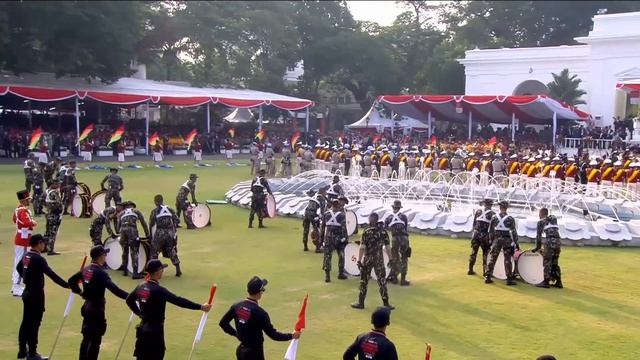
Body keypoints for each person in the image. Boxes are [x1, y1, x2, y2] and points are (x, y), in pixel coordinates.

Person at [126, 259, 211, 360]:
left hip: (142, 329)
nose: (163, 271)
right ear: (157, 272)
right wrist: (200, 307)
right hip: (155, 332)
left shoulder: (140, 286)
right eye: (162, 269)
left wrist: (140, 314)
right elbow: (178, 300)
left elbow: (129, 300)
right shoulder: (159, 290)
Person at [68, 245, 128, 360]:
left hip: (86, 307)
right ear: (100, 256)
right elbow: (115, 290)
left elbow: (71, 281)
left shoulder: (86, 269)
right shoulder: (101, 272)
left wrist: (80, 293)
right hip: (97, 309)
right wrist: (129, 297)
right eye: (105, 254)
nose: (106, 256)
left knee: (86, 338)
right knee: (95, 340)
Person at [219, 276, 300, 360]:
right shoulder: (260, 313)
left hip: (241, 351)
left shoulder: (236, 306)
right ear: (260, 292)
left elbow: (223, 323)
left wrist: (236, 334)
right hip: (254, 354)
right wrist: (291, 336)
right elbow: (273, 335)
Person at [16, 234, 69, 360]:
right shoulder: (38, 259)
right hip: (36, 294)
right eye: (43, 243)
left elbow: (19, 268)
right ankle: (32, 353)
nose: (44, 245)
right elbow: (51, 274)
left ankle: (22, 349)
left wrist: (28, 278)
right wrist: (66, 285)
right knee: (34, 324)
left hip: (27, 292)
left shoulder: (26, 255)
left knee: (26, 322)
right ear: (39, 244)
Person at [351, 213, 394, 310]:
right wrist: (391, 259)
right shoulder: (383, 232)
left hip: (368, 259)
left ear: (370, 220)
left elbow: (362, 247)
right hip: (379, 259)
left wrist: (359, 260)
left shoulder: (366, 231)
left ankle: (360, 302)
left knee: (364, 281)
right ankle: (386, 303)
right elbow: (387, 248)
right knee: (381, 281)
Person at [485, 200, 519, 285]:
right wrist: (516, 243)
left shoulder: (494, 217)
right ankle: (509, 279)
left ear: (499, 207)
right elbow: (514, 232)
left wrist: (491, 241)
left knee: (493, 258)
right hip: (507, 240)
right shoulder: (510, 218)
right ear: (507, 207)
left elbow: (491, 231)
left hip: (497, 240)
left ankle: (488, 276)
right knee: (507, 259)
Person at [12, 190, 38, 297]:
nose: (29, 201)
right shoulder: (22, 211)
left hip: (23, 237)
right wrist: (33, 222)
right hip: (23, 239)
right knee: (20, 262)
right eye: (27, 199)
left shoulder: (18, 209)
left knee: (21, 261)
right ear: (23, 200)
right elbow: (26, 222)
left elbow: (14, 220)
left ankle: (17, 286)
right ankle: (16, 286)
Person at [149, 194, 182, 277]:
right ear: (162, 200)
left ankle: (154, 271)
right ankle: (178, 269)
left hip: (160, 233)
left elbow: (151, 223)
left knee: (154, 251)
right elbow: (177, 220)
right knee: (171, 250)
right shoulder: (170, 209)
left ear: (155, 202)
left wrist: (151, 236)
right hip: (170, 233)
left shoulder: (155, 211)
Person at [116, 201, 150, 279]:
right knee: (134, 252)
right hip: (132, 232)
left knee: (125, 251)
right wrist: (147, 234)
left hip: (123, 232)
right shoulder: (136, 211)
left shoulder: (121, 213)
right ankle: (135, 273)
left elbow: (118, 228)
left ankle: (125, 271)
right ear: (132, 206)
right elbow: (143, 223)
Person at [532, 208, 563, 288]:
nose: (538, 215)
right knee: (555, 262)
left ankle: (546, 282)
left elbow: (538, 237)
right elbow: (550, 217)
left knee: (547, 261)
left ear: (541, 214)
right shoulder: (553, 218)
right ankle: (559, 282)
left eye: (539, 214)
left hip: (549, 242)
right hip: (558, 242)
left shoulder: (540, 222)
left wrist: (537, 248)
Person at [321, 199, 349, 282]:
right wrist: (346, 238)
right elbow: (344, 228)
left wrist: (321, 239)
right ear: (338, 205)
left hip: (328, 237)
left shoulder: (326, 214)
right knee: (341, 255)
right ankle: (340, 273)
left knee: (327, 256)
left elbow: (323, 227)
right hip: (338, 238)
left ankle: (327, 276)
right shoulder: (341, 215)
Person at [384, 200, 411, 286]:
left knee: (394, 258)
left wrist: (392, 229)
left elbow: (385, 228)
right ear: (399, 207)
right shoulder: (403, 216)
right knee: (404, 258)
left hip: (394, 239)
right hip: (404, 238)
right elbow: (406, 228)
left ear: (393, 207)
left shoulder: (388, 218)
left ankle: (394, 277)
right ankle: (403, 280)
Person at [468, 199, 495, 276]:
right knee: (485, 254)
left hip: (476, 234)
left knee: (473, 252)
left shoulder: (478, 211)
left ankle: (470, 269)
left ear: (484, 204)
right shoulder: (493, 214)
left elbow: (474, 224)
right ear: (491, 205)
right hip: (485, 235)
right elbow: (492, 229)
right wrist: (492, 239)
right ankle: (485, 272)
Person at [302, 186, 328, 252]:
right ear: (323, 192)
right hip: (312, 214)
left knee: (306, 230)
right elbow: (322, 212)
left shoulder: (314, 196)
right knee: (317, 230)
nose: (326, 193)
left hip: (306, 212)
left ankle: (305, 246)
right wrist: (321, 218)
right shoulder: (322, 199)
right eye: (325, 192)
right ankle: (318, 248)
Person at [44, 179, 63, 255]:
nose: (59, 185)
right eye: (58, 183)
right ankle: (50, 250)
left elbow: (42, 200)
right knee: (53, 233)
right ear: (53, 184)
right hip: (54, 215)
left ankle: (45, 247)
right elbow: (59, 203)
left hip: (48, 214)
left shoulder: (47, 191)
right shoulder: (54, 193)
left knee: (48, 232)